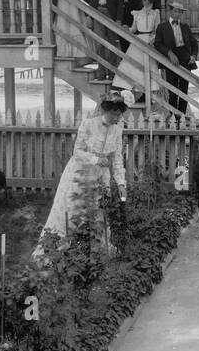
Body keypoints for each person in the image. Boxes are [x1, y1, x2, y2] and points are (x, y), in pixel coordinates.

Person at [33, 93, 129, 261]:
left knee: (100, 210)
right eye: (113, 114)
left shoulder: (117, 130)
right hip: (80, 171)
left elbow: (117, 159)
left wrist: (121, 182)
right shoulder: (88, 125)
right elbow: (77, 152)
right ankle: (55, 251)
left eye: (118, 114)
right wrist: (96, 159)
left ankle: (98, 251)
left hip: (101, 176)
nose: (116, 118)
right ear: (103, 111)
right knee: (71, 209)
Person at [153, 2, 198, 118]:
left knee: (183, 92)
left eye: (179, 12)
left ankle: (181, 118)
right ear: (171, 12)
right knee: (172, 92)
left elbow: (194, 43)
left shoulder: (185, 27)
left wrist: (193, 55)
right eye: (175, 11)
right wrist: (169, 53)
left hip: (185, 61)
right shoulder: (162, 27)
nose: (177, 14)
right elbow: (157, 43)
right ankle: (173, 116)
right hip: (170, 61)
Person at [82, 0, 123, 80]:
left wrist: (119, 20)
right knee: (99, 43)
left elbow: (120, 3)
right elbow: (86, 1)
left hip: (111, 15)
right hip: (97, 13)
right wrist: (88, 16)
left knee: (112, 44)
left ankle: (111, 73)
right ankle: (101, 72)